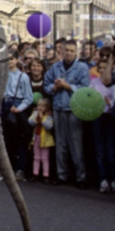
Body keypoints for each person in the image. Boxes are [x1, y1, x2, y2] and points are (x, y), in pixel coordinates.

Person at [44, 39, 90, 189]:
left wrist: (68, 86)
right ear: (61, 51)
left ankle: (80, 176)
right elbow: (46, 85)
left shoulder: (82, 68)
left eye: (72, 50)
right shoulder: (55, 67)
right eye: (66, 50)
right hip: (58, 107)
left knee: (76, 144)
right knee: (61, 143)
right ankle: (61, 174)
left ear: (76, 52)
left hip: (74, 109)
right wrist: (55, 88)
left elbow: (85, 89)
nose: (69, 53)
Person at [1, 51, 33, 181]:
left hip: (17, 105)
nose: (9, 61)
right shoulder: (1, 75)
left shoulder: (23, 77)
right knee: (5, 139)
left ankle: (20, 169)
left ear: (16, 60)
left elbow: (29, 98)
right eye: (7, 59)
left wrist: (19, 109)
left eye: (12, 59)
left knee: (20, 139)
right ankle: (6, 168)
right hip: (4, 105)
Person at [90, 58, 115, 193]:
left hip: (110, 117)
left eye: (106, 68)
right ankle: (103, 179)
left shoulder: (113, 82)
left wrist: (109, 103)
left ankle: (113, 178)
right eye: (100, 68)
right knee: (99, 150)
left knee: (110, 151)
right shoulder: (94, 82)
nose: (103, 70)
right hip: (97, 117)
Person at [28, 97, 55, 184]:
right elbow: (30, 122)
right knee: (36, 157)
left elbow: (49, 126)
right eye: (39, 105)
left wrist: (42, 118)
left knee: (45, 157)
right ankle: (35, 173)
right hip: (36, 138)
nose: (40, 108)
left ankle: (45, 175)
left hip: (45, 140)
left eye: (43, 106)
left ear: (47, 108)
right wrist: (36, 117)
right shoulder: (35, 114)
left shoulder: (49, 116)